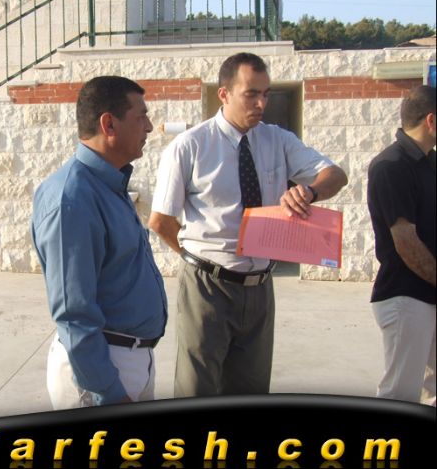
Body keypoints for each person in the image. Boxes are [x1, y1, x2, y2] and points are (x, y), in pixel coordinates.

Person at [148, 52, 348, 397]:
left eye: (265, 94)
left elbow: (336, 174)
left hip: (259, 288)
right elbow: (161, 220)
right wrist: (198, 260)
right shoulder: (190, 146)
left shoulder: (278, 140)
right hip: (206, 288)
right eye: (251, 94)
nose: (261, 103)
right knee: (196, 390)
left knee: (251, 392)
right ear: (224, 94)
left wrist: (309, 191)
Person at [32, 76, 168, 407]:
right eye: (141, 116)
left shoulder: (107, 184)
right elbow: (73, 314)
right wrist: (108, 391)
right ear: (109, 124)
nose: (149, 127)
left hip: (130, 361)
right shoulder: (71, 199)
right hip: (100, 375)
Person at [367, 85, 436, 405]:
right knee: (399, 395)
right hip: (406, 298)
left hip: (429, 294)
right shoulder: (390, 166)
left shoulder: (430, 162)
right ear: (431, 121)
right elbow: (406, 242)